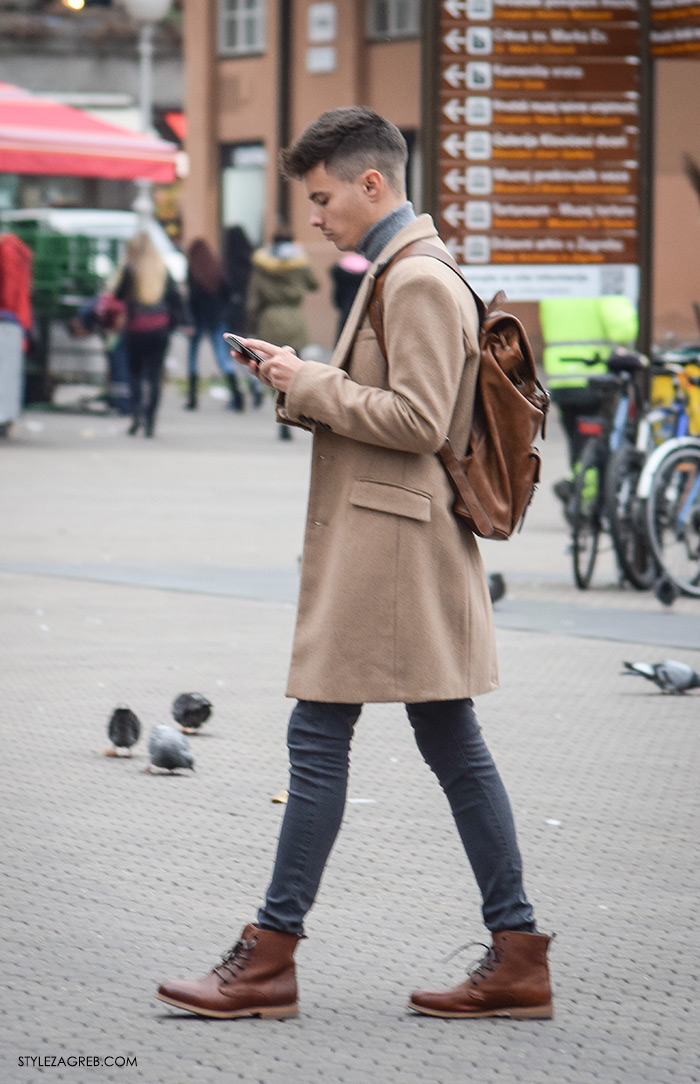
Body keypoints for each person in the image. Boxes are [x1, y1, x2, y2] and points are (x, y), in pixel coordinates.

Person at [156, 107, 553, 1021]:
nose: (315, 215)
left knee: (324, 738)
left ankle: (269, 958)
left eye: (323, 196)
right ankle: (517, 951)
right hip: (399, 551)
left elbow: (421, 421)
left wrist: (310, 383)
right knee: (450, 744)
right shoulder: (408, 268)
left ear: (372, 185)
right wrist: (303, 379)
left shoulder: (413, 278)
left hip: (392, 555)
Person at [539, 295, 639, 499]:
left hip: (561, 379)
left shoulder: (556, 291)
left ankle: (577, 487)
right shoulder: (600, 288)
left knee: (576, 439)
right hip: (594, 376)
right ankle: (586, 495)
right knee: (597, 439)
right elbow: (622, 329)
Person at [245, 228, 319, 439]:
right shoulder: (298, 264)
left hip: (270, 319)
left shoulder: (262, 266)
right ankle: (297, 412)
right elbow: (314, 284)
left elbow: (253, 300)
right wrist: (303, 259)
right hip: (295, 320)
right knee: (296, 369)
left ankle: (282, 416)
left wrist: (251, 322)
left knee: (272, 369)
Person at [113, 231, 183, 438]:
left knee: (134, 373)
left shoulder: (131, 268)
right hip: (160, 328)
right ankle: (151, 420)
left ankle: (136, 417)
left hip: (136, 327)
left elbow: (118, 294)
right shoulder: (162, 269)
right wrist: (174, 324)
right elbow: (175, 299)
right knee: (154, 374)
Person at [185, 237, 248, 411]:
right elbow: (228, 293)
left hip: (198, 319)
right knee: (223, 359)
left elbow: (192, 297)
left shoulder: (193, 269)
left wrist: (188, 320)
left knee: (192, 359)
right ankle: (237, 396)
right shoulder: (216, 268)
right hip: (216, 318)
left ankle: (192, 399)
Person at [329, 251, 370, 341]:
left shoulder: (340, 269)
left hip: (345, 304)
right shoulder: (369, 268)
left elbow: (338, 287)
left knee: (344, 331)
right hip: (364, 305)